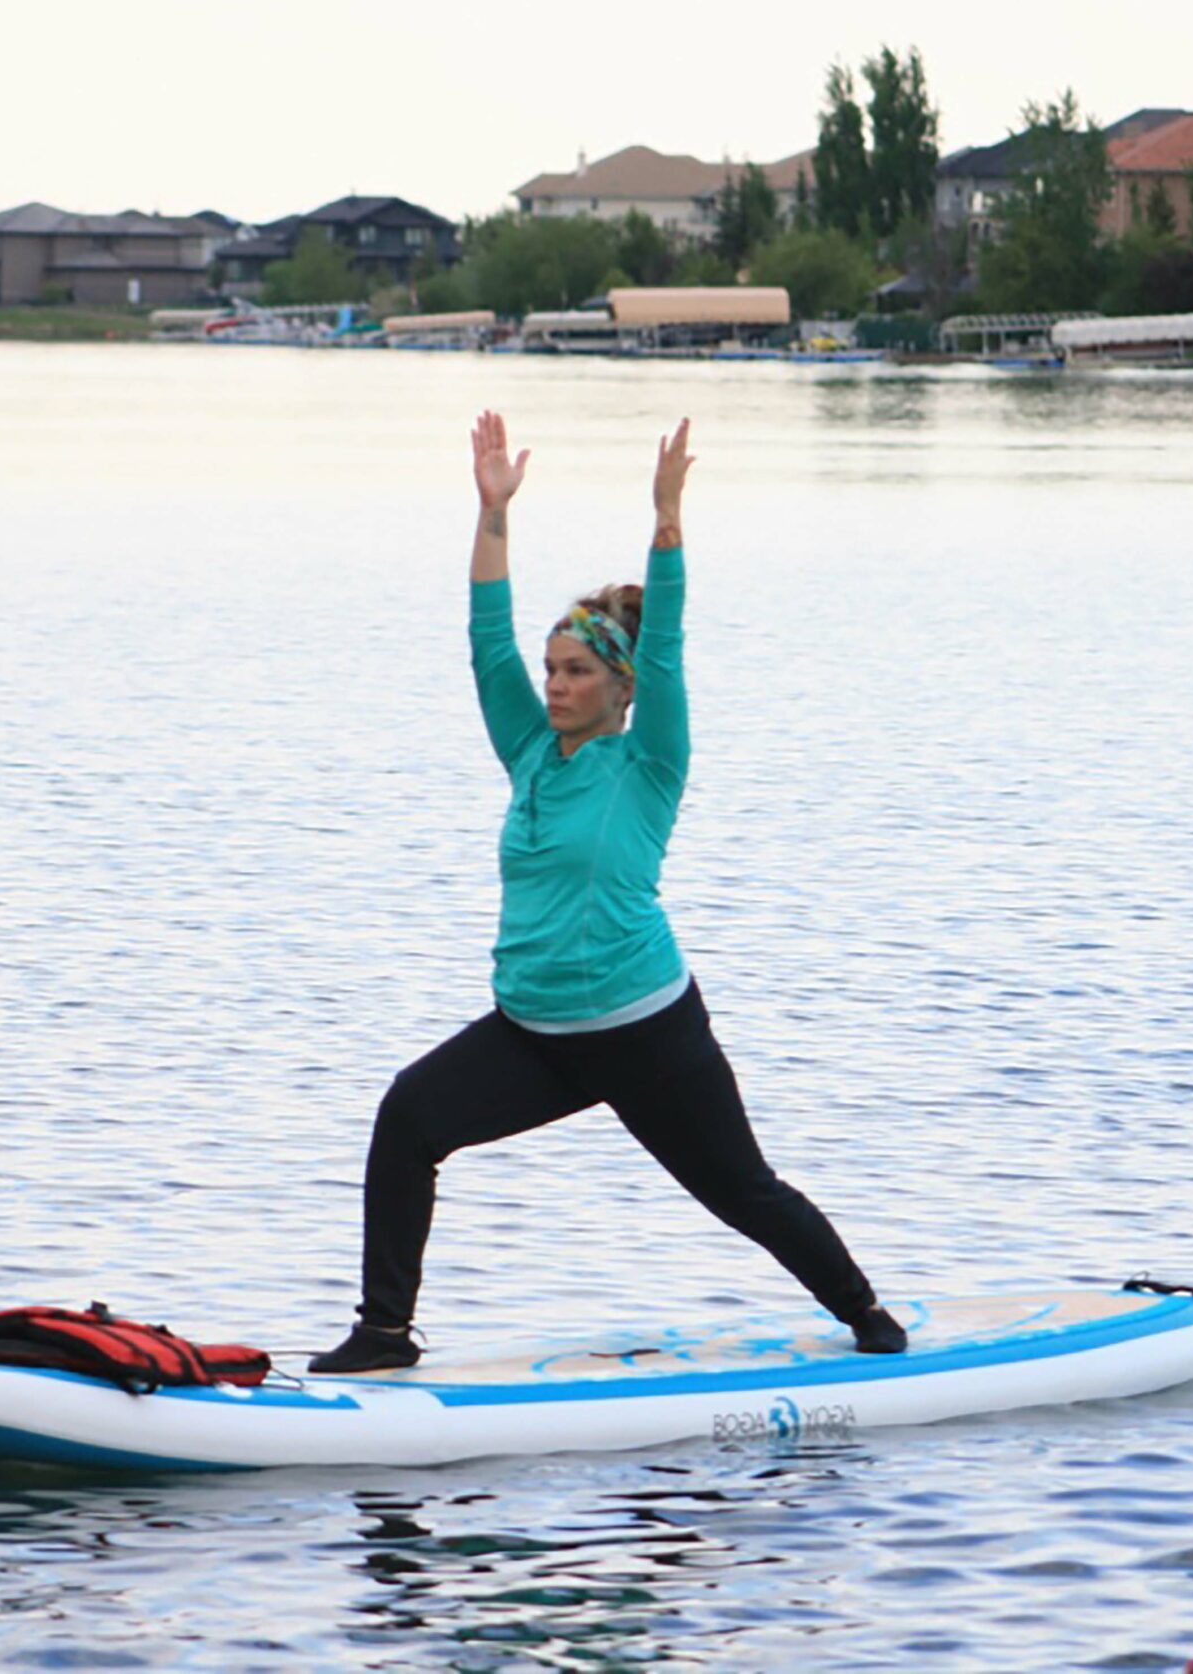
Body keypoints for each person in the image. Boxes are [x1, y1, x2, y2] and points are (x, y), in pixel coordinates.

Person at [308, 411, 904, 1374]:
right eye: (551, 669)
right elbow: (483, 640)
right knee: (408, 1119)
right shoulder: (530, 753)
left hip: (644, 1029)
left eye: (576, 670)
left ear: (618, 685)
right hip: (535, 1030)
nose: (553, 684)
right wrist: (491, 513)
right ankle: (384, 1334)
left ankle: (866, 1313)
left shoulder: (649, 763)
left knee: (740, 1189)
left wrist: (666, 523)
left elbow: (664, 645)